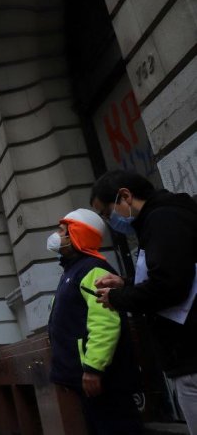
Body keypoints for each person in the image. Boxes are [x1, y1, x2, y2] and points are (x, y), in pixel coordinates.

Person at [90, 170, 197, 432]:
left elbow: (169, 285)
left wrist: (119, 297)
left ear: (125, 196)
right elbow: (171, 272)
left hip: (191, 352)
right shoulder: (163, 219)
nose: (109, 221)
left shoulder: (163, 220)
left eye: (106, 212)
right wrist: (126, 283)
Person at [46, 208, 142, 434]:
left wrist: (93, 368)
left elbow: (105, 324)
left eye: (62, 230)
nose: (56, 235)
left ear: (77, 235)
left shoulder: (92, 270)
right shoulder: (72, 271)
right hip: (86, 379)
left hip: (102, 380)